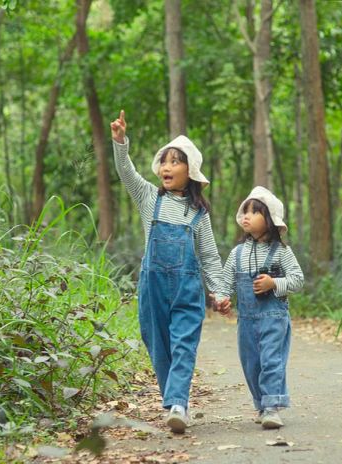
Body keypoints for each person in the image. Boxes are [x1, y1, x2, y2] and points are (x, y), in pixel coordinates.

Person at [109, 110, 229, 433]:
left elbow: (209, 255)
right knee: (157, 343)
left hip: (187, 289)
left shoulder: (199, 214)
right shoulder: (150, 198)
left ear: (191, 171)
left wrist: (219, 291)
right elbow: (126, 173)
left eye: (175, 161)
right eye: (164, 161)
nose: (166, 166)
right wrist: (120, 142)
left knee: (183, 344)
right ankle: (172, 398)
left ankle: (178, 403)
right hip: (153, 287)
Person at [214, 186, 304, 429]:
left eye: (254, 212)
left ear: (271, 220)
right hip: (247, 319)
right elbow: (225, 281)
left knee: (271, 360)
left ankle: (272, 406)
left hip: (273, 317)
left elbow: (297, 279)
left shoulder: (282, 252)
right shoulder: (237, 253)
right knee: (251, 362)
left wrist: (274, 282)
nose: (246, 216)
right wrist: (222, 298)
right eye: (245, 211)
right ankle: (262, 404)